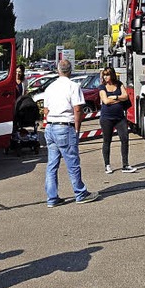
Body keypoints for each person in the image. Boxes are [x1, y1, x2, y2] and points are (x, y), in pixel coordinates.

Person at [42, 58, 99, 207]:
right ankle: (80, 193)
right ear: (71, 70)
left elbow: (46, 110)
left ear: (58, 70)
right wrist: (77, 128)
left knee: (52, 165)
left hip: (50, 126)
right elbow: (78, 109)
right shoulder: (74, 86)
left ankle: (52, 198)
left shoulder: (50, 88)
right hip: (64, 126)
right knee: (72, 163)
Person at [99, 67, 137, 174]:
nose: (106, 77)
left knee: (124, 139)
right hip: (107, 118)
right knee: (107, 141)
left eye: (107, 75)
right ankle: (107, 165)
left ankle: (125, 165)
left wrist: (114, 97)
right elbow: (105, 101)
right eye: (104, 75)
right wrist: (118, 99)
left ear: (112, 75)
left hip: (120, 118)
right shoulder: (102, 87)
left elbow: (125, 96)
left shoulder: (119, 84)